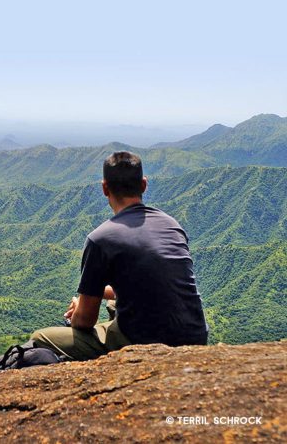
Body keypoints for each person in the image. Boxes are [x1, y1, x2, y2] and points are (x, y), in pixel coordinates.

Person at [31, 151, 208, 361]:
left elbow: (85, 321)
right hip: (195, 336)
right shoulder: (172, 225)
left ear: (104, 188)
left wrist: (79, 308)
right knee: (113, 304)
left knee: (40, 337)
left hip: (146, 342)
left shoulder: (100, 239)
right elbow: (152, 284)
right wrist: (102, 294)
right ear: (144, 184)